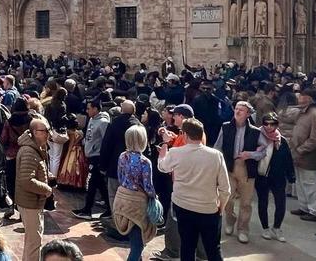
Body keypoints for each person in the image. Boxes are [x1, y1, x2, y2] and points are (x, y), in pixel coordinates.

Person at [156, 118, 229, 261]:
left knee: (187, 246)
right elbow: (225, 188)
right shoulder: (216, 156)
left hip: (183, 207)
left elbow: (162, 166)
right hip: (208, 209)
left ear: (185, 135)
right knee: (213, 249)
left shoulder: (176, 153)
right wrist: (221, 206)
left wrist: (165, 143)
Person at [214, 100, 263, 243]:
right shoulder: (226, 127)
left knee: (246, 203)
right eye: (236, 108)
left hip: (247, 169)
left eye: (241, 110)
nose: (237, 111)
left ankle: (243, 229)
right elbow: (218, 146)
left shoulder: (255, 131)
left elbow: (264, 151)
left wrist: (251, 154)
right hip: (229, 167)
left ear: (248, 114)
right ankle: (230, 220)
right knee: (227, 199)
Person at [112, 125, 157, 261]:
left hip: (122, 199)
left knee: (134, 239)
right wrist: (154, 197)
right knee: (138, 245)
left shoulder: (122, 156)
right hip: (137, 203)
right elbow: (148, 186)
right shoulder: (145, 162)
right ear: (143, 140)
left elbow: (120, 177)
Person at [15, 116, 54, 261]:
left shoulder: (36, 148)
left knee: (32, 241)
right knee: (34, 243)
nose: (48, 133)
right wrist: (46, 189)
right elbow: (26, 180)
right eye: (45, 131)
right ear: (35, 132)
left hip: (32, 201)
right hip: (29, 202)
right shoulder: (29, 151)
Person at [254, 112, 294, 242]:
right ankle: (265, 228)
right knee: (263, 202)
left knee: (280, 203)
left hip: (278, 177)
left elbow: (288, 159)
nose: (269, 126)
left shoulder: (282, 141)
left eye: (272, 124)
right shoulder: (257, 137)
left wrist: (291, 175)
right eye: (266, 123)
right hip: (262, 176)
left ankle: (277, 227)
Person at [290, 88, 316, 223]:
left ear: (309, 99)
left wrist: (301, 149)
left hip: (309, 155)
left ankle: (315, 211)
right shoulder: (302, 113)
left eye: (303, 96)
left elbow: (315, 138)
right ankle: (304, 207)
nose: (299, 98)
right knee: (300, 182)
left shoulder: (315, 114)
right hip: (298, 153)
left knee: (310, 183)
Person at [74, 99, 111, 218]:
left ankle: (87, 209)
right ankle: (109, 207)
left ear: (95, 109)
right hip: (90, 154)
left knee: (92, 183)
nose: (87, 110)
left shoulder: (103, 122)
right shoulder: (91, 119)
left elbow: (106, 141)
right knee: (100, 184)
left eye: (89, 108)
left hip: (97, 156)